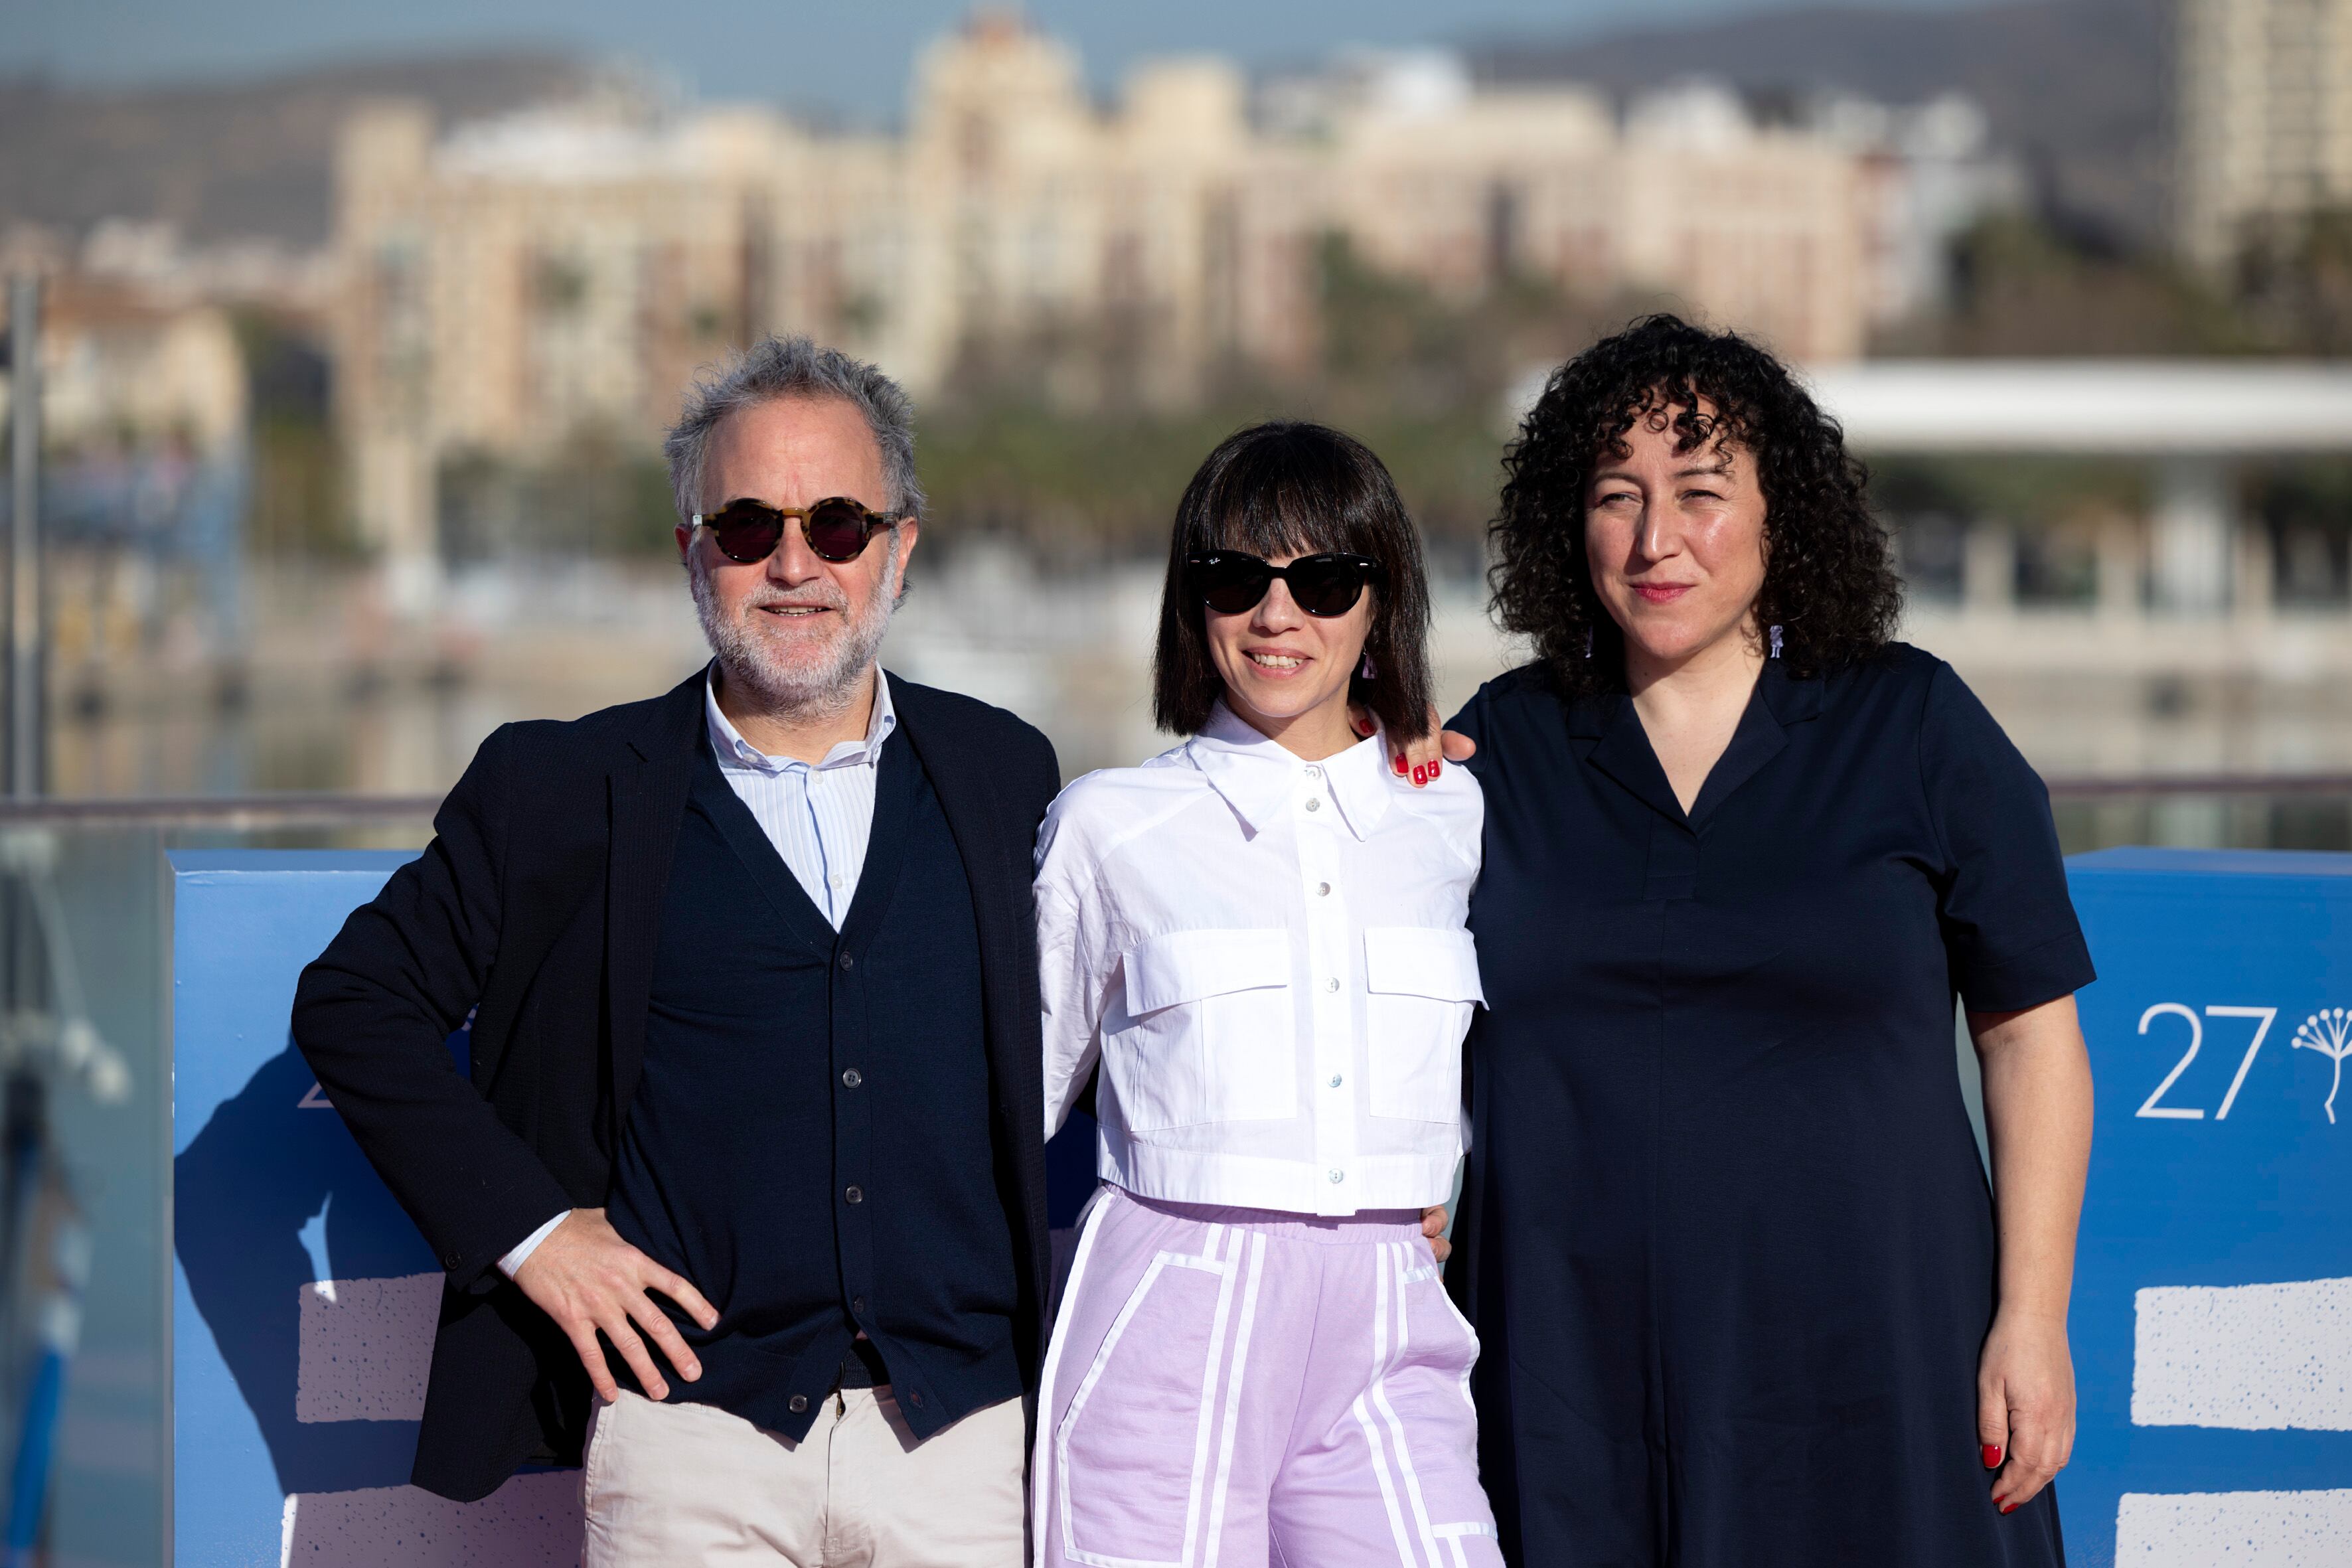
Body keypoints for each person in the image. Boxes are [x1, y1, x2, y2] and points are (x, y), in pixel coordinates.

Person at [292, 337, 1059, 1566]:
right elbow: (354, 1003)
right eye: (749, 525)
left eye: (840, 523)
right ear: (692, 554)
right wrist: (538, 1230)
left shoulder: (1003, 769)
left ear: (900, 550)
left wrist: (1391, 758)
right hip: (688, 1442)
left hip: (965, 1443)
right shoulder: (563, 791)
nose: (795, 562)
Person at [1441, 315, 2095, 1566]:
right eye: (1617, 497)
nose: (1655, 539)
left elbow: (2030, 1041)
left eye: (1700, 493)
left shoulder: (1914, 724)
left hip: (1882, 1358)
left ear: (1780, 513)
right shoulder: (1498, 753)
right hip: (1572, 1379)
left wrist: (2031, 1319)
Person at [1031, 422, 1503, 1568]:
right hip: (1169, 1315)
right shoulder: (1107, 825)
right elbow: (1017, 1097)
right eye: (1238, 578)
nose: (1277, 615)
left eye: (1324, 579)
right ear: (1194, 604)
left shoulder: (1455, 813)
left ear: (1381, 600)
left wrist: (1449, 1168)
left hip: (1395, 1311)